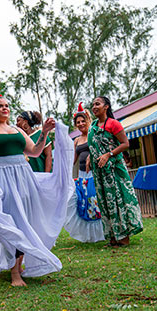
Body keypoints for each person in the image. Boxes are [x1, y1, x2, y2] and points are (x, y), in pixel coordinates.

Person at [0, 96, 74, 286]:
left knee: (24, 220)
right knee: (12, 222)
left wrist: (44, 132)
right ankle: (15, 273)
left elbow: (34, 151)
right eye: (0, 106)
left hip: (23, 177)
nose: (4, 109)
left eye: (7, 106)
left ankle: (19, 265)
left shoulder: (16, 130)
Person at [88, 96, 143, 247]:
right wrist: (90, 159)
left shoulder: (113, 124)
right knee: (106, 202)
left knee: (119, 200)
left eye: (97, 104)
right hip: (100, 171)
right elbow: (93, 146)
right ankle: (113, 236)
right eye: (93, 104)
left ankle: (124, 237)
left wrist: (108, 154)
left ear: (106, 107)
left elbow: (125, 144)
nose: (94, 107)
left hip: (114, 169)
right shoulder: (93, 126)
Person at [64, 103, 104, 243]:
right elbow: (73, 161)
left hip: (95, 175)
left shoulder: (95, 135)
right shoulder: (76, 140)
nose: (81, 124)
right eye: (78, 122)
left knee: (96, 204)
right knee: (85, 204)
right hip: (82, 176)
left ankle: (101, 233)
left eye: (83, 121)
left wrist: (91, 156)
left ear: (88, 120)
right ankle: (89, 235)